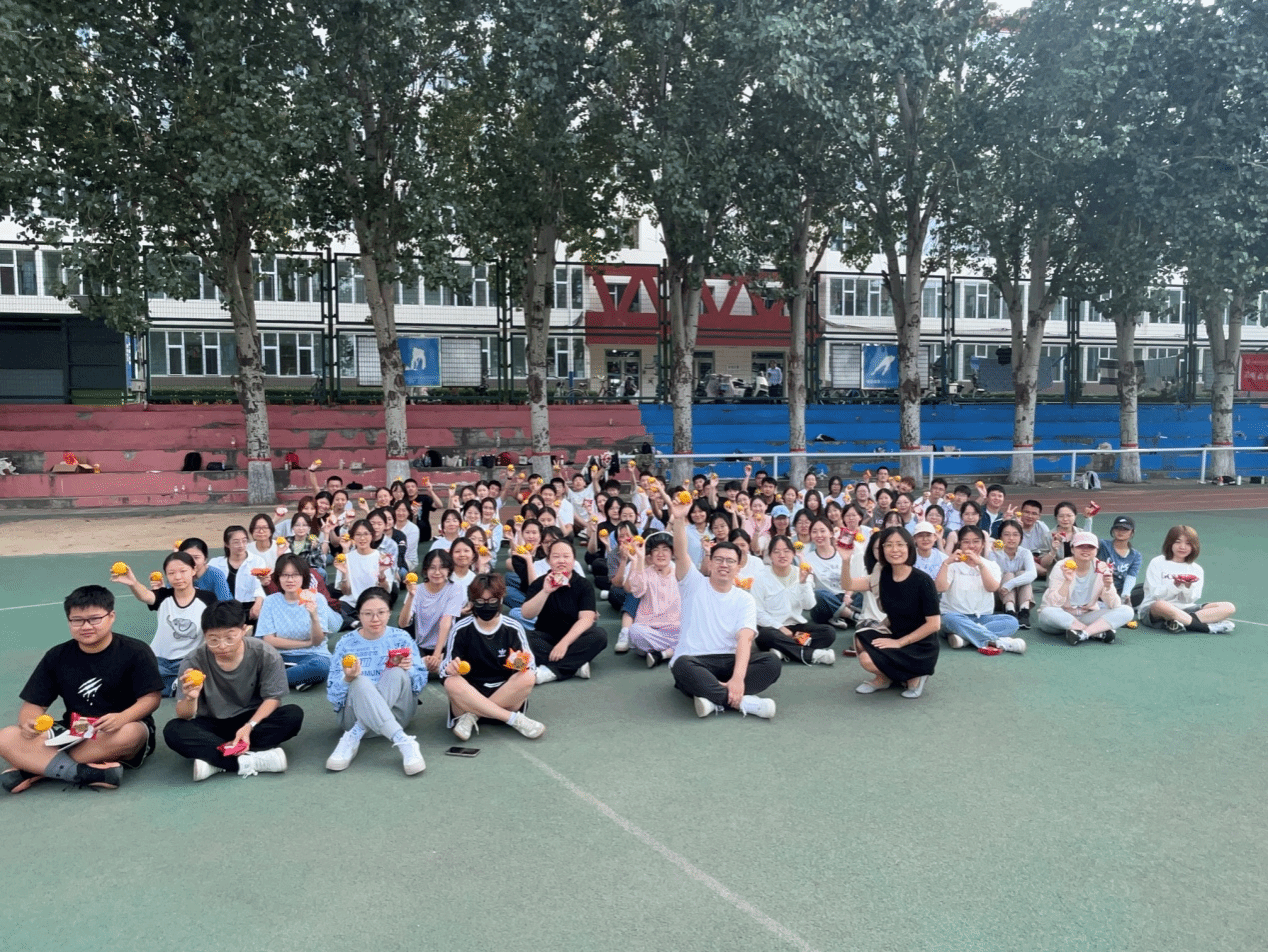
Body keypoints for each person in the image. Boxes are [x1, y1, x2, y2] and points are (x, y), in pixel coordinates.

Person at [0, 585, 162, 793]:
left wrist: (122, 717)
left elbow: (151, 698)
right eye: (77, 620)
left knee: (130, 734)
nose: (86, 626)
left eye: (94, 619)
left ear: (111, 616)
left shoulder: (135, 651)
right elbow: (33, 705)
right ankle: (82, 772)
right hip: (74, 731)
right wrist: (29, 723)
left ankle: (34, 767)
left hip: (116, 728)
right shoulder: (57, 656)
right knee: (6, 737)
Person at [666, 496, 781, 719]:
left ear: (738, 568)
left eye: (730, 561)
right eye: (719, 559)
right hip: (697, 660)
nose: (724, 565)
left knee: (771, 663)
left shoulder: (745, 599)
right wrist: (679, 520)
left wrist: (737, 678)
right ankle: (743, 702)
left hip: (729, 660)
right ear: (710, 562)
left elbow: (745, 639)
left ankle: (713, 699)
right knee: (681, 665)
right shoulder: (693, 584)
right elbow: (680, 554)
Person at [163, 601, 303, 781]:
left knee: (293, 715)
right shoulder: (193, 661)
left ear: (244, 630)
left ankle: (216, 760)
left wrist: (249, 726)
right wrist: (191, 698)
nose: (222, 646)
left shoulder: (265, 653)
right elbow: (184, 715)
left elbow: (273, 698)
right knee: (173, 730)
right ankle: (254, 760)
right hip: (212, 723)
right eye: (213, 640)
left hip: (252, 719)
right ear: (204, 635)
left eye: (230, 638)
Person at [325, 588, 427, 775]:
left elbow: (419, 683)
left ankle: (354, 735)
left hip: (397, 713)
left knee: (395, 671)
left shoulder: (401, 638)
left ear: (389, 613)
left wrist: (409, 669)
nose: (375, 619)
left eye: (381, 612)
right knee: (359, 681)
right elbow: (333, 695)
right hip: (352, 716)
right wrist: (348, 679)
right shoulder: (346, 643)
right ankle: (403, 740)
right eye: (368, 614)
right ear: (359, 615)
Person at [441, 574, 544, 741]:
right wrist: (450, 668)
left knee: (528, 676)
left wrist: (520, 663)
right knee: (451, 682)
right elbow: (443, 669)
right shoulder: (460, 629)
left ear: (501, 600)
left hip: (505, 694)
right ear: (472, 602)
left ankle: (472, 716)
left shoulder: (513, 627)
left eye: (492, 601)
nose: (486, 606)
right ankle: (513, 719)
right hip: (470, 694)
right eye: (480, 601)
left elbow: (530, 664)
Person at [844, 527, 941, 698]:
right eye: (888, 545)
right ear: (882, 550)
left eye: (900, 544)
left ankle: (915, 675)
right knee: (861, 641)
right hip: (894, 634)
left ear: (909, 547)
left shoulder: (923, 581)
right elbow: (848, 585)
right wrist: (845, 560)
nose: (894, 549)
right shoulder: (882, 575)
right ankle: (885, 677)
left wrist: (899, 643)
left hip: (921, 646)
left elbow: (934, 625)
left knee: (867, 658)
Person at [114, 552, 218, 696]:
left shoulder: (208, 598)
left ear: (193, 570)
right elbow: (146, 596)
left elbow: (215, 629)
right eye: (171, 573)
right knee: (131, 686)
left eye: (183, 571)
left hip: (189, 661)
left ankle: (173, 685)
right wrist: (133, 583)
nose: (178, 577)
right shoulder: (163, 595)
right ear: (166, 575)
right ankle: (172, 685)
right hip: (158, 661)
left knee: (198, 684)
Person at [520, 539, 609, 683]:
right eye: (556, 556)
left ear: (574, 560)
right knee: (522, 637)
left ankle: (551, 671)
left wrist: (564, 644)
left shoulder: (584, 585)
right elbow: (526, 614)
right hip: (546, 637)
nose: (561, 561)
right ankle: (575, 665)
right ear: (549, 561)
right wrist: (546, 591)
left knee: (599, 635)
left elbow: (586, 619)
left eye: (566, 556)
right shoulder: (540, 582)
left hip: (575, 639)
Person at [254, 554, 340, 690]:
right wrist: (306, 643)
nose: (290, 580)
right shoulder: (270, 601)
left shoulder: (317, 598)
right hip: (279, 656)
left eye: (295, 575)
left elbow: (317, 641)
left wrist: (314, 616)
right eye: (285, 575)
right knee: (253, 662)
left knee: (322, 667)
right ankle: (297, 678)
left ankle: (266, 681)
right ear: (278, 577)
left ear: (303, 577)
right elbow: (269, 640)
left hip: (313, 655)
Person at [934, 525, 1025, 654]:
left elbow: (992, 587)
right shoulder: (952, 564)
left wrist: (980, 565)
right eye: (966, 542)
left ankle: (965, 638)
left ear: (983, 544)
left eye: (976, 541)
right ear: (960, 544)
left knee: (1012, 622)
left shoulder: (991, 565)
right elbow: (940, 588)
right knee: (949, 620)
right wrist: (946, 563)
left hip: (983, 617)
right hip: (956, 616)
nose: (971, 546)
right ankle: (998, 642)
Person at [751, 535, 837, 665]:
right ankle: (813, 655)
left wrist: (803, 583)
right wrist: (780, 627)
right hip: (772, 629)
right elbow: (758, 612)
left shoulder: (801, 572)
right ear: (770, 555)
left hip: (796, 630)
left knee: (828, 633)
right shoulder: (761, 577)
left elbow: (809, 605)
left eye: (786, 551)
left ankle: (783, 650)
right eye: (777, 551)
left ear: (793, 553)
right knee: (766, 635)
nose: (782, 555)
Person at [1037, 531, 1134, 645]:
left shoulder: (1102, 567)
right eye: (1080, 546)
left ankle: (1082, 633)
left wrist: (1108, 587)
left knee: (1127, 611)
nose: (1085, 550)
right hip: (1060, 618)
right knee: (1047, 612)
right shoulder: (1062, 566)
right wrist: (1067, 581)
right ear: (1072, 549)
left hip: (1087, 616)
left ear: (1096, 550)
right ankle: (1096, 633)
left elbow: (1114, 605)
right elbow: (1053, 603)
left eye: (1090, 547)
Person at [1138, 525, 1236, 633]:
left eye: (1188, 543)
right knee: (1161, 605)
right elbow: (1156, 595)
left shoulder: (1196, 569)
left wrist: (1187, 587)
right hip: (1154, 610)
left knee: (1228, 607)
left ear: (1194, 546)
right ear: (1170, 543)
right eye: (1178, 542)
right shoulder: (1157, 562)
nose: (1182, 547)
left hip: (1185, 609)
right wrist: (1175, 585)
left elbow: (1190, 600)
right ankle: (1207, 628)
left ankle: (1177, 621)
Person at [398, 549, 467, 673]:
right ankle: (426, 664)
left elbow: (446, 621)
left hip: (445, 647)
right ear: (425, 570)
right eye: (432, 568)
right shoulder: (417, 590)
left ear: (449, 570)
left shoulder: (456, 589)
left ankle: (431, 665)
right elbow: (403, 624)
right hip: (420, 646)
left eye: (442, 568)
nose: (437, 572)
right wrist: (411, 596)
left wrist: (436, 655)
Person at [620, 533, 683, 666]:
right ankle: (673, 650)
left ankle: (661, 654)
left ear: (672, 553)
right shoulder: (646, 573)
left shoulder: (679, 573)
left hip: (675, 628)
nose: (660, 554)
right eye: (656, 550)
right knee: (635, 631)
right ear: (650, 554)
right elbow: (636, 590)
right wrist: (639, 558)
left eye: (665, 549)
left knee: (694, 631)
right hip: (649, 628)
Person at [207, 525, 267, 620]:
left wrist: (258, 604)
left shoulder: (257, 561)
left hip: (249, 608)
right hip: (222, 610)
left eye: (244, 541)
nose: (241, 545)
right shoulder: (215, 563)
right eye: (236, 542)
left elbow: (259, 586)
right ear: (227, 544)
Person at [991, 519, 1038, 628]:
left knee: (1023, 573)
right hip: (1000, 596)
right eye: (1007, 534)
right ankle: (1010, 610)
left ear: (1021, 537)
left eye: (1015, 535)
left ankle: (1024, 611)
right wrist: (1007, 583)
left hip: (1020, 596)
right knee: (1008, 575)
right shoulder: (994, 553)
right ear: (1000, 537)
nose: (1011, 538)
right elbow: (993, 576)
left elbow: (1032, 574)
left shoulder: (1025, 553)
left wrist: (1010, 584)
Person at [1094, 515, 1143, 603]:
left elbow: (1131, 576)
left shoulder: (1135, 555)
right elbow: (1086, 540)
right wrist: (1088, 520)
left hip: (1119, 592)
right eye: (1117, 528)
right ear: (1113, 530)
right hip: (1099, 588)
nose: (1121, 532)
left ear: (1132, 532)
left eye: (1125, 529)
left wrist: (1125, 595)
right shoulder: (1102, 545)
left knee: (1142, 590)